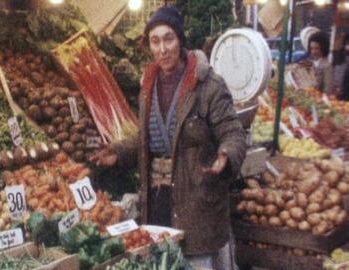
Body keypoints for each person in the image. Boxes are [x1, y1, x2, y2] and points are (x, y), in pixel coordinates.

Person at [90, 5, 246, 270]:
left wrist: (226, 155)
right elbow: (148, 138)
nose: (162, 49)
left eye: (168, 39)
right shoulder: (147, 86)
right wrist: (119, 151)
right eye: (155, 41)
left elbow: (233, 132)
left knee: (195, 263)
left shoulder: (207, 85)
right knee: (163, 262)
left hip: (196, 200)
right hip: (158, 200)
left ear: (180, 40)